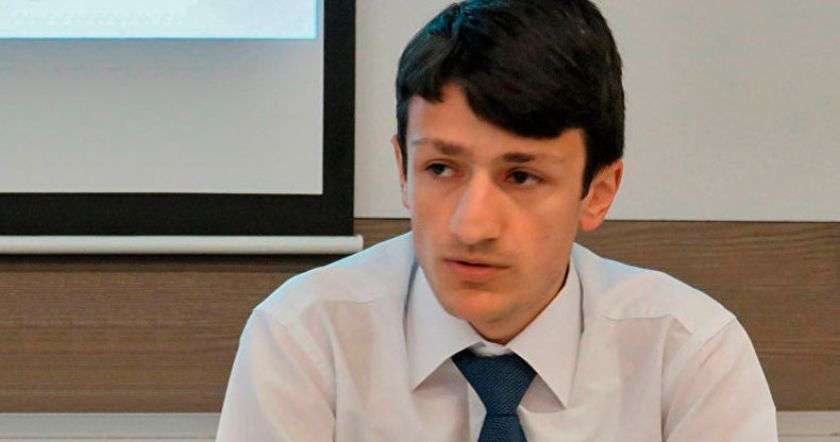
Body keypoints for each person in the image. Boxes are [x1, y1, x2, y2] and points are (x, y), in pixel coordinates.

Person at [216, 0, 778, 440]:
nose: (471, 227)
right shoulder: (306, 336)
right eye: (441, 169)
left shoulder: (688, 353)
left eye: (521, 177)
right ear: (403, 170)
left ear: (597, 192)